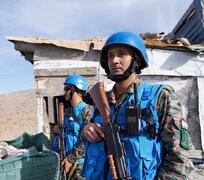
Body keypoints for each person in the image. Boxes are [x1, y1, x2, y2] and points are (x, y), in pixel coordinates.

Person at [81, 31, 190, 179]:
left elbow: (179, 158)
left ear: (136, 60)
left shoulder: (159, 96)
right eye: (110, 56)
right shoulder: (102, 101)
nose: (114, 60)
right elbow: (87, 136)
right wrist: (87, 130)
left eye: (122, 54)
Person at [52, 74, 93, 179]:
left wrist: (71, 159)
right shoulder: (67, 113)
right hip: (65, 161)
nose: (64, 92)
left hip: (80, 164)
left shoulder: (87, 110)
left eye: (66, 89)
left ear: (75, 90)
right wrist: (56, 129)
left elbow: (88, 140)